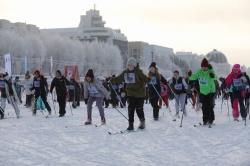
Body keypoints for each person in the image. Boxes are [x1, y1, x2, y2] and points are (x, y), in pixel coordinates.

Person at [111, 57, 147, 130]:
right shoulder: (125, 73)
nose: (130, 66)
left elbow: (144, 78)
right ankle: (131, 124)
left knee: (139, 109)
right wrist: (112, 80)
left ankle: (142, 121)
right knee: (130, 109)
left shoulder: (138, 72)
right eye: (129, 65)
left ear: (134, 65)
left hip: (139, 93)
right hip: (130, 93)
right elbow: (119, 78)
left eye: (131, 65)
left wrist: (148, 79)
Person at [189, 58, 217, 125]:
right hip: (202, 91)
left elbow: (216, 77)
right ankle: (205, 119)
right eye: (203, 67)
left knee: (209, 105)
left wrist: (212, 76)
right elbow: (194, 77)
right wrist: (190, 75)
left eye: (205, 67)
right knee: (204, 106)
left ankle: (211, 119)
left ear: (207, 66)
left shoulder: (210, 71)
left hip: (210, 91)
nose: (204, 68)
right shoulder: (199, 71)